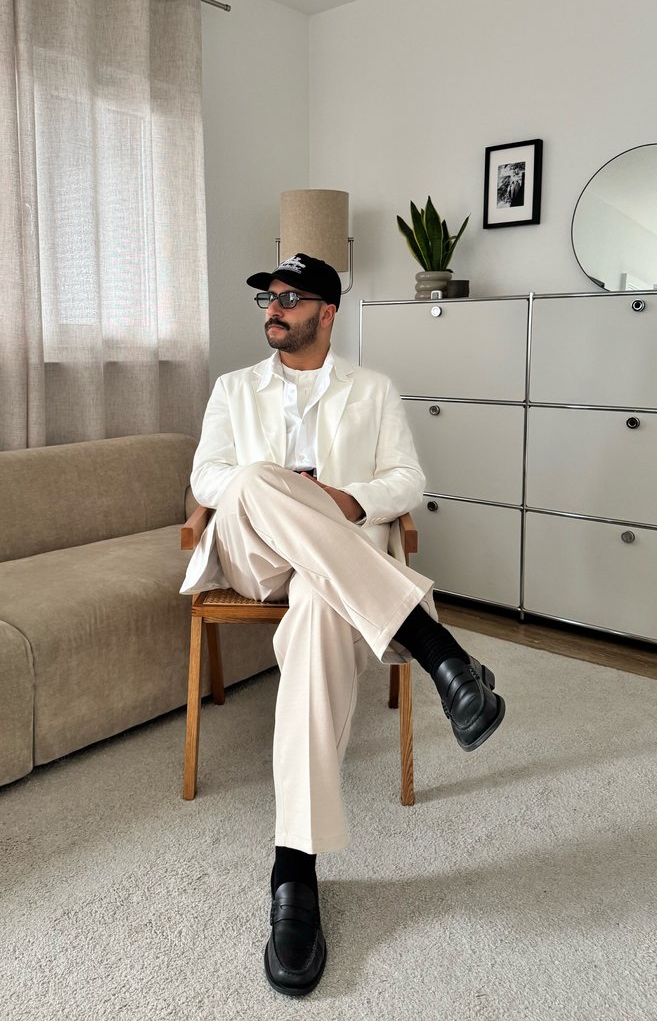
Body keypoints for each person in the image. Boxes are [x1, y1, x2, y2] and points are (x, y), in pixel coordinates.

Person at [180, 254, 505, 997]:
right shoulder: (233, 388)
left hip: (337, 561)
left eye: (290, 297)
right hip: (256, 550)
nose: (274, 307)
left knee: (321, 611)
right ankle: (435, 645)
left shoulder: (373, 389)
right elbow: (206, 478)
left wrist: (342, 501)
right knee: (255, 478)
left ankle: (294, 868)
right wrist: (285, 494)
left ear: (327, 312)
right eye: (269, 296)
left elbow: (406, 480)